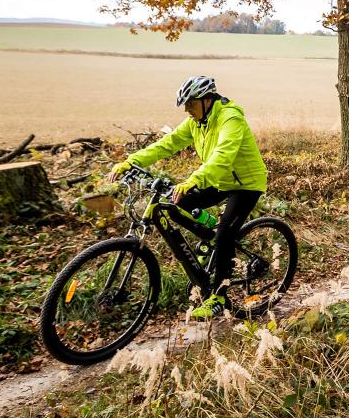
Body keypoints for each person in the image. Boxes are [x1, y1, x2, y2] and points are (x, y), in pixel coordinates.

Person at [108, 75, 268, 319]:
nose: (187, 110)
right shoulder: (196, 121)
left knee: (225, 234)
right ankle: (208, 236)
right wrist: (131, 162)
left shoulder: (230, 118)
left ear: (206, 100)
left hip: (245, 184)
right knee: (177, 202)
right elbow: (167, 144)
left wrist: (193, 180)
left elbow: (223, 156)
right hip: (219, 180)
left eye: (190, 104)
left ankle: (219, 296)